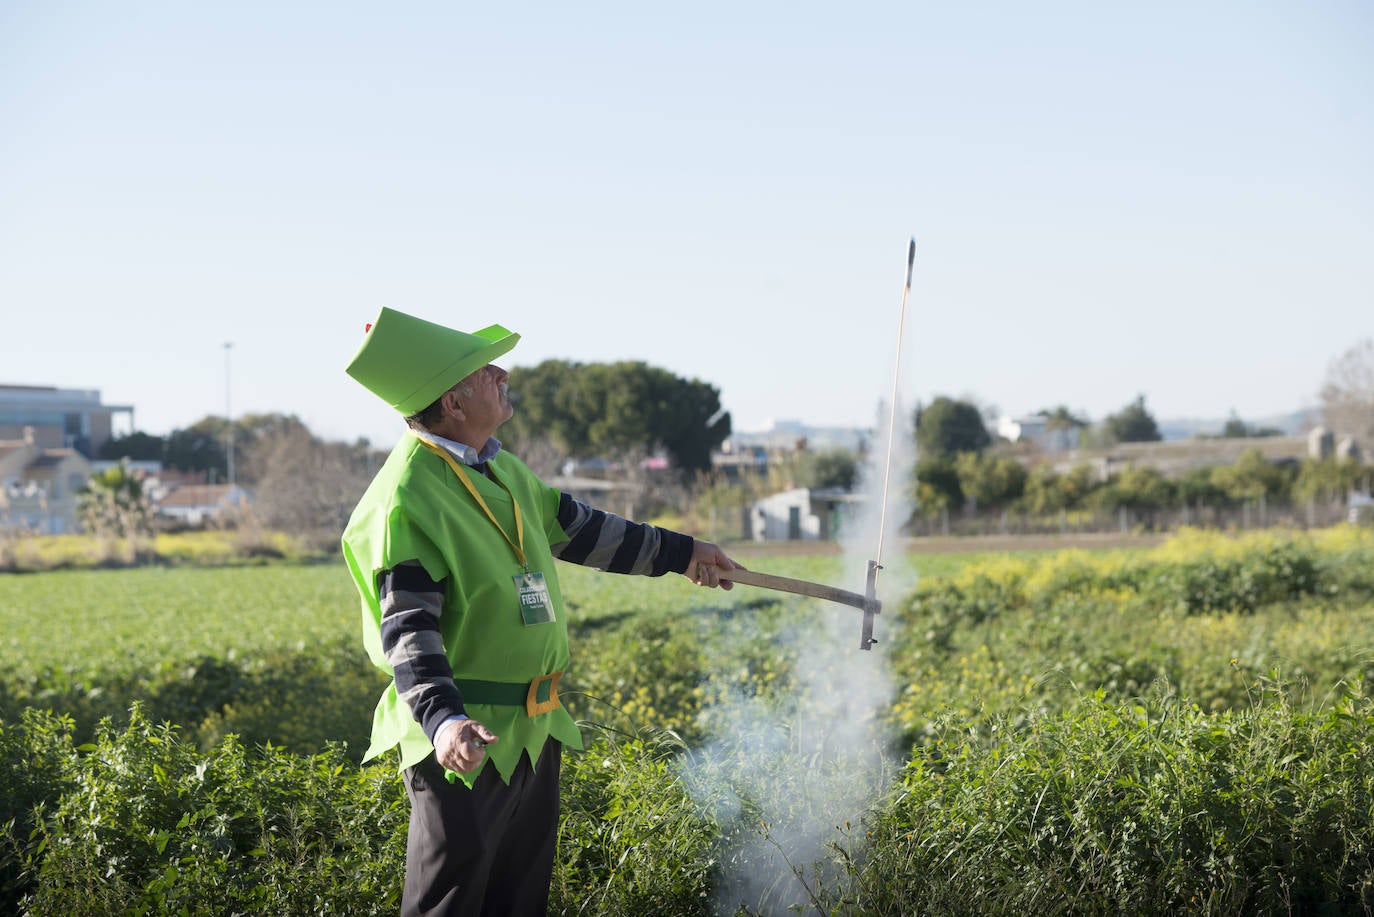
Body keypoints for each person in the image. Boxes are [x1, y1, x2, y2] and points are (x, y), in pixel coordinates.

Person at [341, 307, 738, 917]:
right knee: (446, 906)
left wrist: (684, 554)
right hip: (467, 740)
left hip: (533, 731)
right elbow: (408, 632)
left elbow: (586, 531)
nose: (500, 373)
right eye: (481, 371)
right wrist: (445, 722)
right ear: (452, 402)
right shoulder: (406, 499)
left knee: (518, 903)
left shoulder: (498, 467)